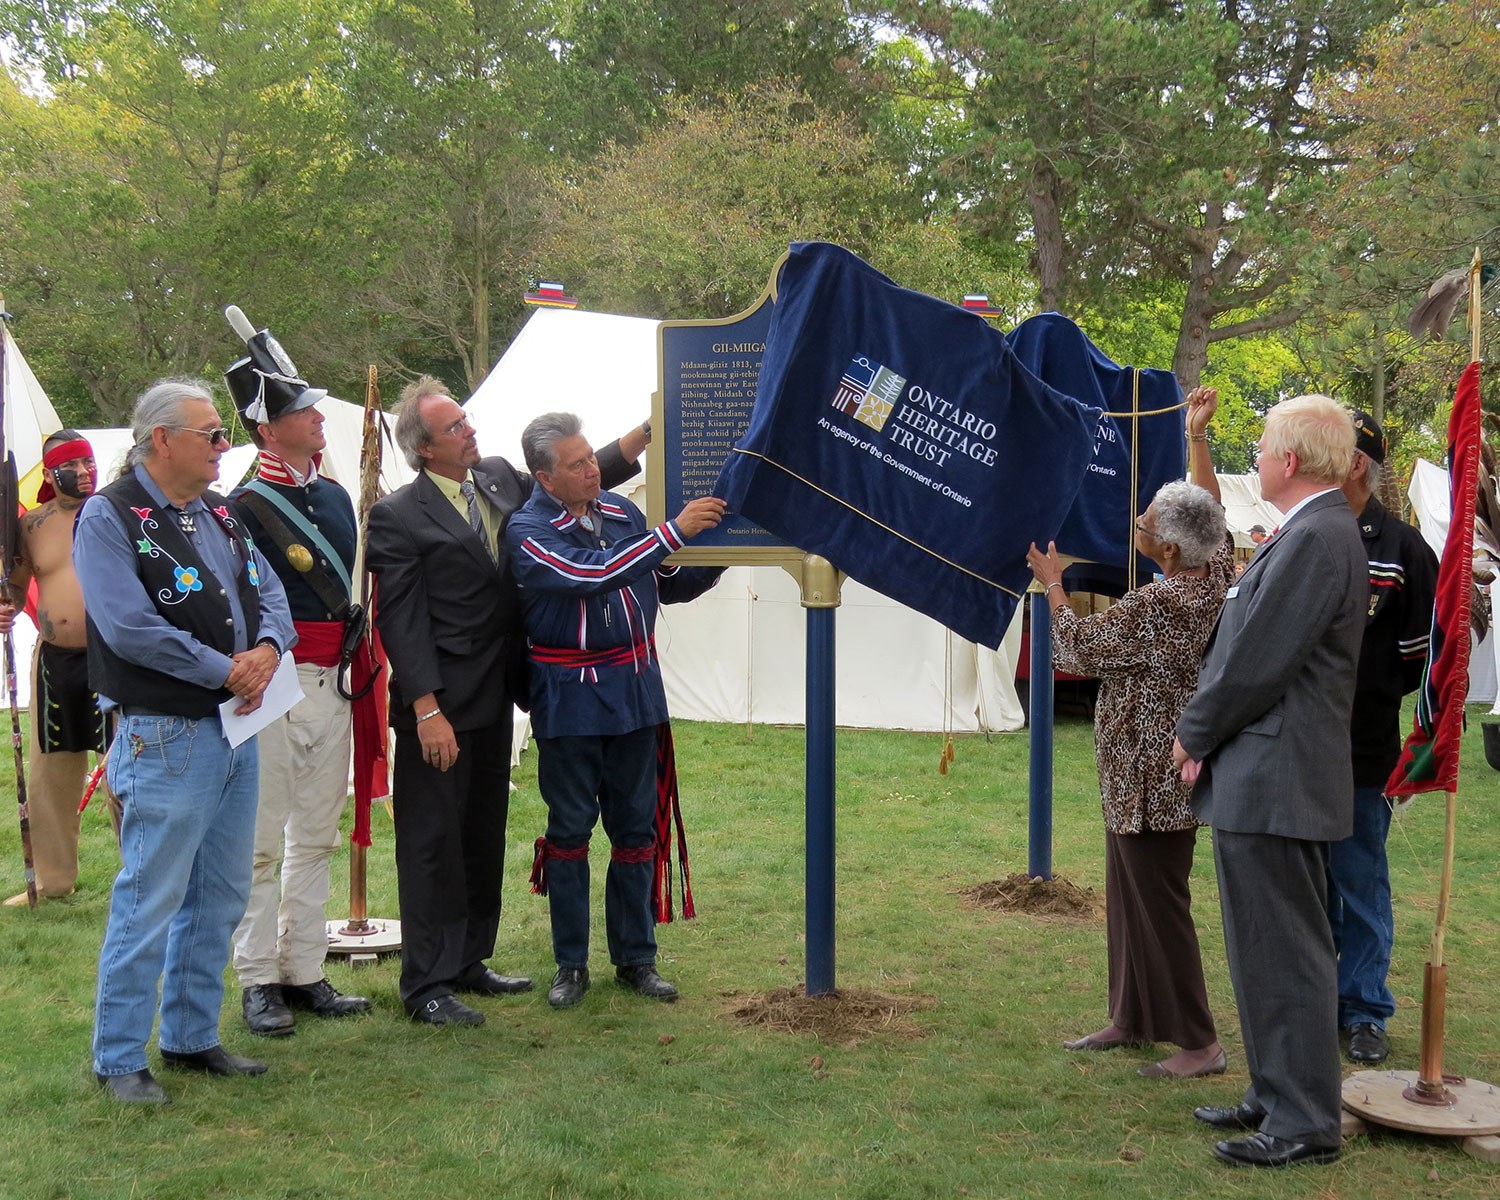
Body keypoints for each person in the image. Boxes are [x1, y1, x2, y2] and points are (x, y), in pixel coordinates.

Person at [366, 377, 648, 1026]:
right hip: (441, 704)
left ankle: (469, 959)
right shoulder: (399, 516)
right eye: (457, 427)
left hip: (500, 693)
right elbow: (402, 623)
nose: (472, 431)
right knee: (432, 840)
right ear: (424, 448)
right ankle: (427, 982)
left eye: (467, 420)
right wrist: (426, 710)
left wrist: (640, 438)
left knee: (481, 831)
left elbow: (568, 475)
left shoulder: (494, 478)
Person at [75, 379, 295, 1104]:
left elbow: (271, 594)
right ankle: (116, 1058)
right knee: (151, 897)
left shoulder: (221, 514)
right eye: (211, 434)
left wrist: (265, 649)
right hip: (166, 731)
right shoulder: (109, 517)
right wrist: (226, 670)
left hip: (234, 729)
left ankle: (192, 1035)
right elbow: (130, 626)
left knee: (223, 892)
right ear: (161, 439)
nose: (223, 446)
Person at [1172, 393, 1365, 1169]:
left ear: (1288, 462)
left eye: (1259, 447)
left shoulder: (1318, 537)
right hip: (1269, 771)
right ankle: (1274, 1091)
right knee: (1260, 946)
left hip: (1278, 774)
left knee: (1286, 951)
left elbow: (1258, 659)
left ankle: (1305, 1120)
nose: (1254, 457)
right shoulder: (1314, 530)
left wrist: (1194, 732)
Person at [1026, 386, 1230, 1079]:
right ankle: (1131, 1016)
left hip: (1151, 779)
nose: (1138, 535)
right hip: (1149, 775)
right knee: (1132, 899)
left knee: (1160, 906)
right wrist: (1198, 437)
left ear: (1170, 550)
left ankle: (1199, 1042)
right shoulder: (1216, 574)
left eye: (1146, 531)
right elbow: (1215, 514)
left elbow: (1076, 651)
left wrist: (1053, 586)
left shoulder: (1160, 601)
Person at [507, 413, 725, 1009]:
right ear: (544, 478)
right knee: (570, 832)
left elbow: (664, 583)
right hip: (570, 699)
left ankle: (636, 958)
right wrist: (672, 533)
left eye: (590, 457)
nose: (593, 469)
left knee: (636, 833)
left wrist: (731, 548)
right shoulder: (527, 529)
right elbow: (590, 575)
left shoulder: (623, 515)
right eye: (576, 465)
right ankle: (570, 965)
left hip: (634, 694)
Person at [224, 335, 371, 1036]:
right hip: (271, 685)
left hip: (334, 681)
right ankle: (257, 978)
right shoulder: (241, 508)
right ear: (265, 427)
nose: (319, 420)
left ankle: (304, 968)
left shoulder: (338, 497)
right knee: (258, 843)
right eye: (303, 412)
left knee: (316, 834)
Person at [1328, 410, 1438, 1065]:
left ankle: (1365, 1009)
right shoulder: (1306, 533)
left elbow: (1416, 658)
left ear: (1356, 465)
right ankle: (1323, 999)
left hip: (1364, 748)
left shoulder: (1401, 548)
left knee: (1361, 883)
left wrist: (1368, 700)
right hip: (1301, 749)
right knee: (1314, 887)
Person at [0, 431, 117, 905]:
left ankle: (144, 872)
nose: (85, 472)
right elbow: (14, 587)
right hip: (54, 662)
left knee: (125, 769)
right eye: (74, 465)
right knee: (50, 776)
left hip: (113, 659)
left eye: (89, 462)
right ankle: (52, 880)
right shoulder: (31, 529)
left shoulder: (116, 514)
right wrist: (3, 605)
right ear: (51, 473)